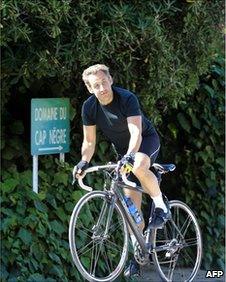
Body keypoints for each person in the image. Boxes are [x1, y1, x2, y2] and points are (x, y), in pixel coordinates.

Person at [73, 64, 170, 277]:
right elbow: (89, 142)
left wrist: (130, 156)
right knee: (131, 212)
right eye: (96, 85)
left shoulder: (126, 98)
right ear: (90, 89)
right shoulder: (89, 107)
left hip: (144, 142)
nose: (102, 88)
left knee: (138, 166)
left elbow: (136, 132)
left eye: (104, 82)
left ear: (111, 80)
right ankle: (139, 251)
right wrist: (83, 162)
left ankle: (162, 206)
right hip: (123, 152)